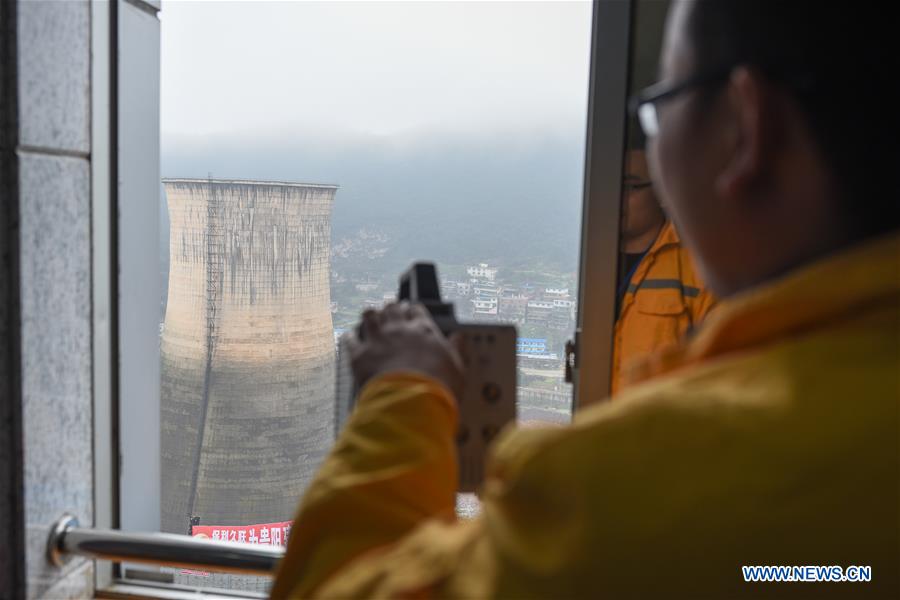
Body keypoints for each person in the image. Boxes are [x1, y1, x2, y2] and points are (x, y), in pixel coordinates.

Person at [272, 1, 899, 597]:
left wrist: (401, 395)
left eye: (658, 107)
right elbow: (820, 575)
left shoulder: (627, 497)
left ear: (745, 126)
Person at [613, 129, 715, 393]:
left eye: (630, 186)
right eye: (610, 185)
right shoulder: (589, 261)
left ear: (661, 191)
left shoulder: (698, 267)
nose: (616, 197)